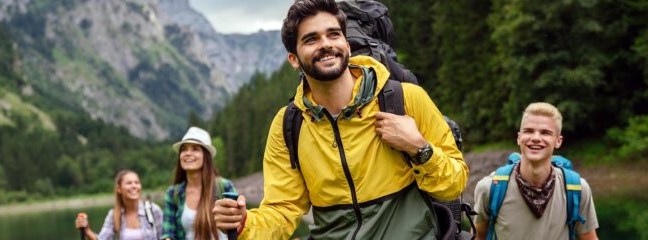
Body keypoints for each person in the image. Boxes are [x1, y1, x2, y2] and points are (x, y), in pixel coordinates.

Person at [212, 0, 468, 239]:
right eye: (311, 39)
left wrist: (419, 149)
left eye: (333, 34)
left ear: (346, 44)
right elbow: (283, 210)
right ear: (294, 59)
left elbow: (453, 185)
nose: (326, 44)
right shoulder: (288, 124)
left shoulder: (406, 99)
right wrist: (244, 223)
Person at [472, 102, 599, 240]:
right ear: (519, 138)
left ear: (558, 141)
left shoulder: (577, 189)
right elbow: (479, 236)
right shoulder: (490, 188)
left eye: (545, 133)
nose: (536, 138)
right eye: (529, 131)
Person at [162, 126, 236, 240]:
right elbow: (168, 233)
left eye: (195, 149)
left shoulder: (225, 186)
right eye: (184, 149)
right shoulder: (173, 193)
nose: (187, 153)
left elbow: (239, 225)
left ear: (206, 156)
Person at [75, 170, 163, 240]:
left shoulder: (153, 210)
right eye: (129, 183)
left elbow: (165, 236)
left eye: (137, 182)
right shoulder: (114, 215)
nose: (134, 186)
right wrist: (86, 230)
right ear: (119, 189)